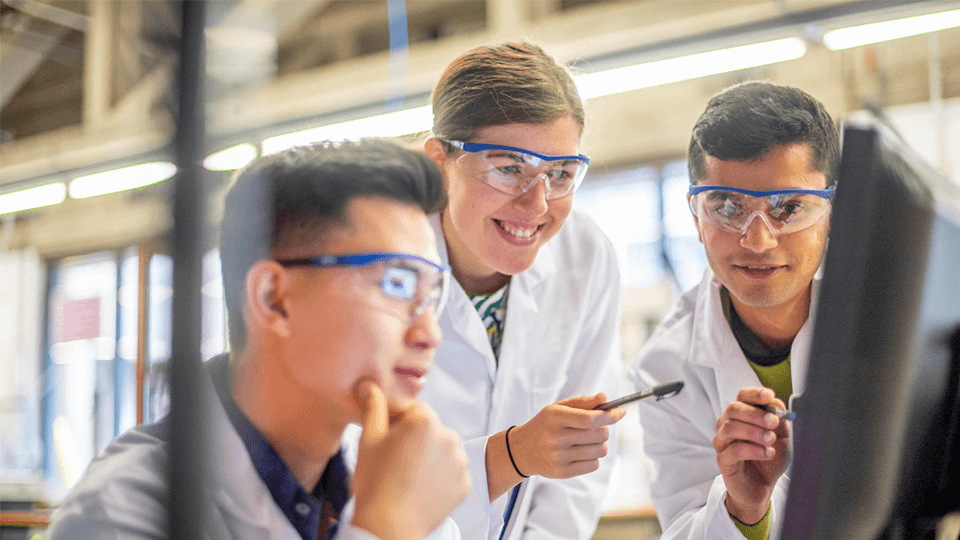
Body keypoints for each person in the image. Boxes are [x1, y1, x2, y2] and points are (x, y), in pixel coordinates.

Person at [46, 139, 471, 540]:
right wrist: (381, 531)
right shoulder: (123, 515)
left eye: (433, 292)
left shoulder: (395, 488)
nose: (429, 334)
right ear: (275, 299)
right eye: (397, 282)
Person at [419, 42, 627, 540]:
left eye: (560, 174)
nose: (537, 204)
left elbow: (582, 463)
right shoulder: (378, 265)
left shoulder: (586, 255)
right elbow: (353, 468)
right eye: (509, 168)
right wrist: (511, 455)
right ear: (439, 163)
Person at [627, 81, 840, 540]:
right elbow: (683, 528)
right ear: (696, 218)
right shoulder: (666, 368)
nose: (759, 241)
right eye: (726, 207)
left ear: (831, 210)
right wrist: (743, 507)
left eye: (788, 208)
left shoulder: (883, 322)